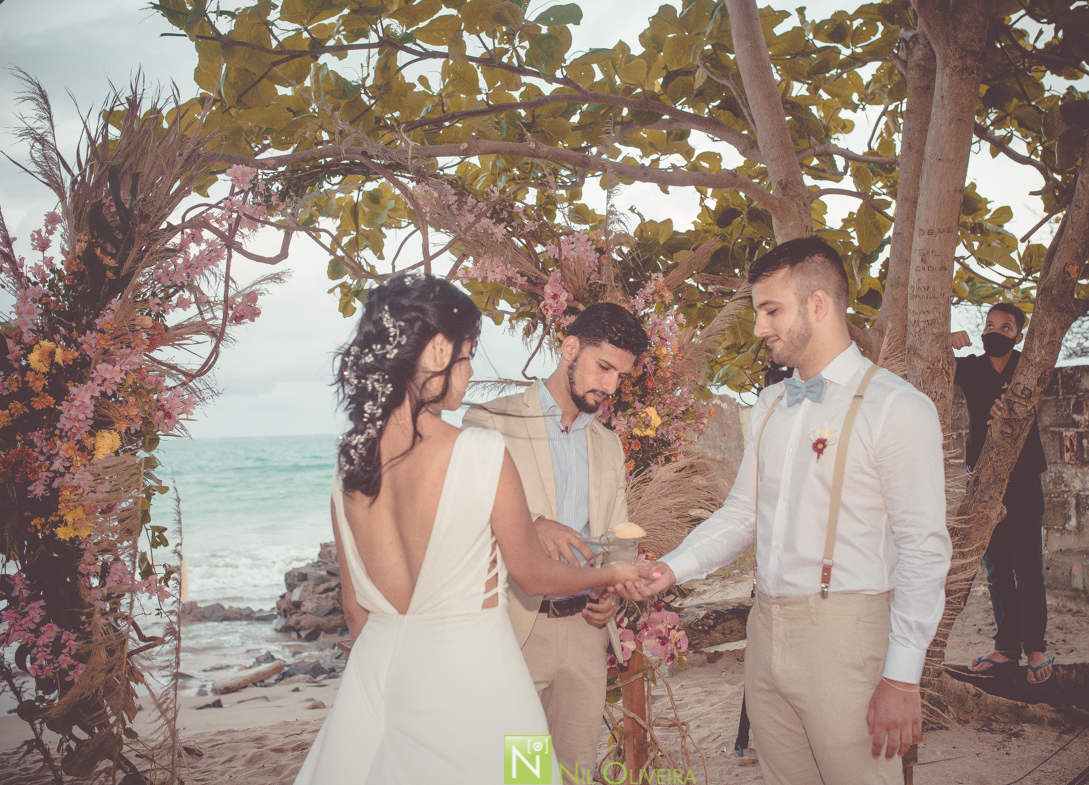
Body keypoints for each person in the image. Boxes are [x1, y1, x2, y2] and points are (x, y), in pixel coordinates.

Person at [616, 237, 953, 785]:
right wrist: (669, 570)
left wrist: (902, 677)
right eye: (757, 312)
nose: (759, 328)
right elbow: (742, 514)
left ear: (819, 304)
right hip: (766, 635)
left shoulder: (899, 408)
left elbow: (925, 547)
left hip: (847, 638)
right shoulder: (770, 404)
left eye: (770, 310)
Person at [292, 276, 653, 785]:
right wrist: (615, 572)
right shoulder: (480, 445)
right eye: (467, 356)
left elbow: (356, 609)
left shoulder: (347, 466)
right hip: (485, 679)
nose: (471, 371)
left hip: (383, 682)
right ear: (438, 350)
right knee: (524, 776)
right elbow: (531, 573)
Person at [462, 301, 650, 778]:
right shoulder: (489, 420)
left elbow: (616, 538)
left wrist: (610, 594)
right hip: (518, 630)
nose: (609, 386)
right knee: (521, 774)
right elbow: (462, 517)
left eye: (620, 376)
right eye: (603, 366)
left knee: (575, 772)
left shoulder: (608, 443)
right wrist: (532, 522)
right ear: (569, 348)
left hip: (586, 634)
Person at [952, 304, 1054, 684]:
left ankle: (1036, 648)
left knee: (1028, 568)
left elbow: (1032, 402)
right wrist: (947, 341)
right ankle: (1007, 648)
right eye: (989, 324)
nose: (995, 330)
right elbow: (926, 362)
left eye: (1005, 327)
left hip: (1024, 477)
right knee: (996, 572)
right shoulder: (972, 367)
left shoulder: (1028, 369)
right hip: (981, 479)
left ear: (1018, 335)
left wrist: (1012, 413)